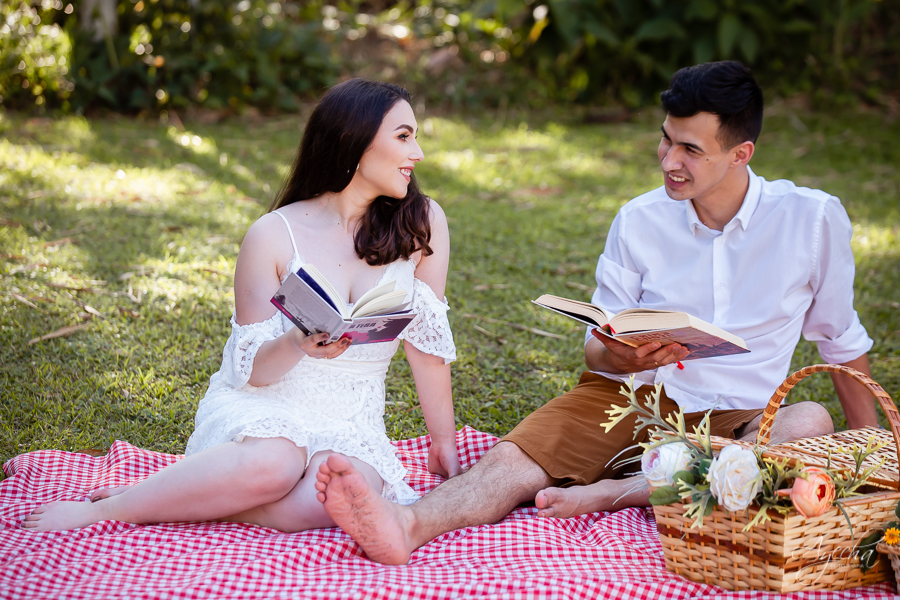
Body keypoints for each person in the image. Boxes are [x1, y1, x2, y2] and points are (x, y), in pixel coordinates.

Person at [311, 61, 877, 565]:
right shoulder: (639, 220)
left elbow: (842, 344)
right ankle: (408, 524)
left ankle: (616, 493)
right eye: (666, 141)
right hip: (626, 399)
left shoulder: (812, 220)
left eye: (690, 150)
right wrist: (622, 353)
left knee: (809, 424)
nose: (668, 161)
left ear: (740, 154)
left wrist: (877, 464)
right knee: (511, 460)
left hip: (742, 417)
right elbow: (596, 348)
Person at [23, 79, 460, 532]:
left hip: (353, 420)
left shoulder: (422, 224)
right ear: (354, 139)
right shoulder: (272, 234)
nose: (419, 153)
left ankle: (182, 497)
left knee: (334, 498)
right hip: (266, 407)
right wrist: (297, 341)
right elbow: (251, 370)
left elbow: (426, 345)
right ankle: (108, 510)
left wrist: (442, 442)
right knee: (274, 464)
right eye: (404, 136)